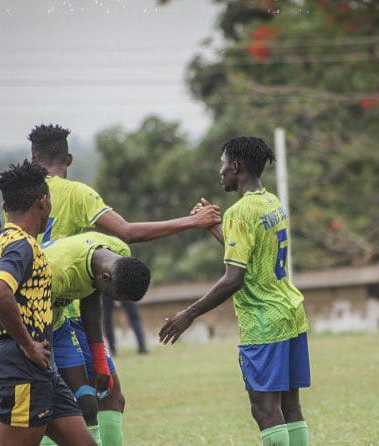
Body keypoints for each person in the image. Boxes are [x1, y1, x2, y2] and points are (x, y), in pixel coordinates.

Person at [26, 123, 221, 446]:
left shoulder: (20, 198)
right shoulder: (76, 193)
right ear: (69, 160)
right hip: (66, 313)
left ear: (33, 158)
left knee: (83, 402)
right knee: (92, 402)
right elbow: (126, 231)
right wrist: (193, 221)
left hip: (40, 312)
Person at [159, 136, 310, 446]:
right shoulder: (271, 202)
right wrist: (213, 227)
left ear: (236, 167)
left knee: (265, 409)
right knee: (290, 406)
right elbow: (248, 257)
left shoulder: (240, 212)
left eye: (223, 164)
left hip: (264, 322)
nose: (221, 171)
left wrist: (188, 315)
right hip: (291, 314)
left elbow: (233, 279)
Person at [0, 160, 95, 446]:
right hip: (22, 365)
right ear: (43, 202)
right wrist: (28, 344)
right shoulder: (22, 245)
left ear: (5, 207)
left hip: (39, 367)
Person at [42, 231, 151, 444]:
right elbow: (37, 322)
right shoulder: (60, 271)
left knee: (93, 401)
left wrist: (100, 362)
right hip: (29, 329)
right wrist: (48, 367)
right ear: (106, 278)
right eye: (115, 297)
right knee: (51, 408)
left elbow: (91, 300)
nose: (115, 303)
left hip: (59, 325)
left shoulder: (118, 253)